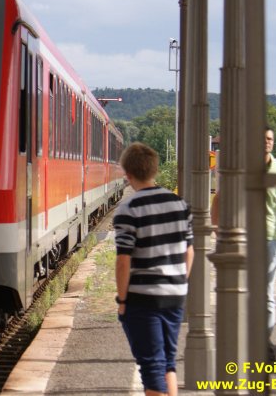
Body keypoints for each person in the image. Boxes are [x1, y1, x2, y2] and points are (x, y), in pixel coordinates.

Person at [114, 142, 194, 396]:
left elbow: (123, 260)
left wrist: (122, 299)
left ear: (128, 174)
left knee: (151, 367)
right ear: (155, 170)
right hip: (175, 294)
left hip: (142, 298)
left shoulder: (129, 209)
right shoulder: (179, 204)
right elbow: (188, 251)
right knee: (168, 364)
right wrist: (179, 281)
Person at [211, 128, 276, 346]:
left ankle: (263, 343)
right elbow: (220, 198)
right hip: (240, 239)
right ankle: (238, 339)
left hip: (268, 239)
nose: (267, 143)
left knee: (266, 295)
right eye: (262, 139)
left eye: (270, 139)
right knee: (239, 291)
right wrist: (216, 229)